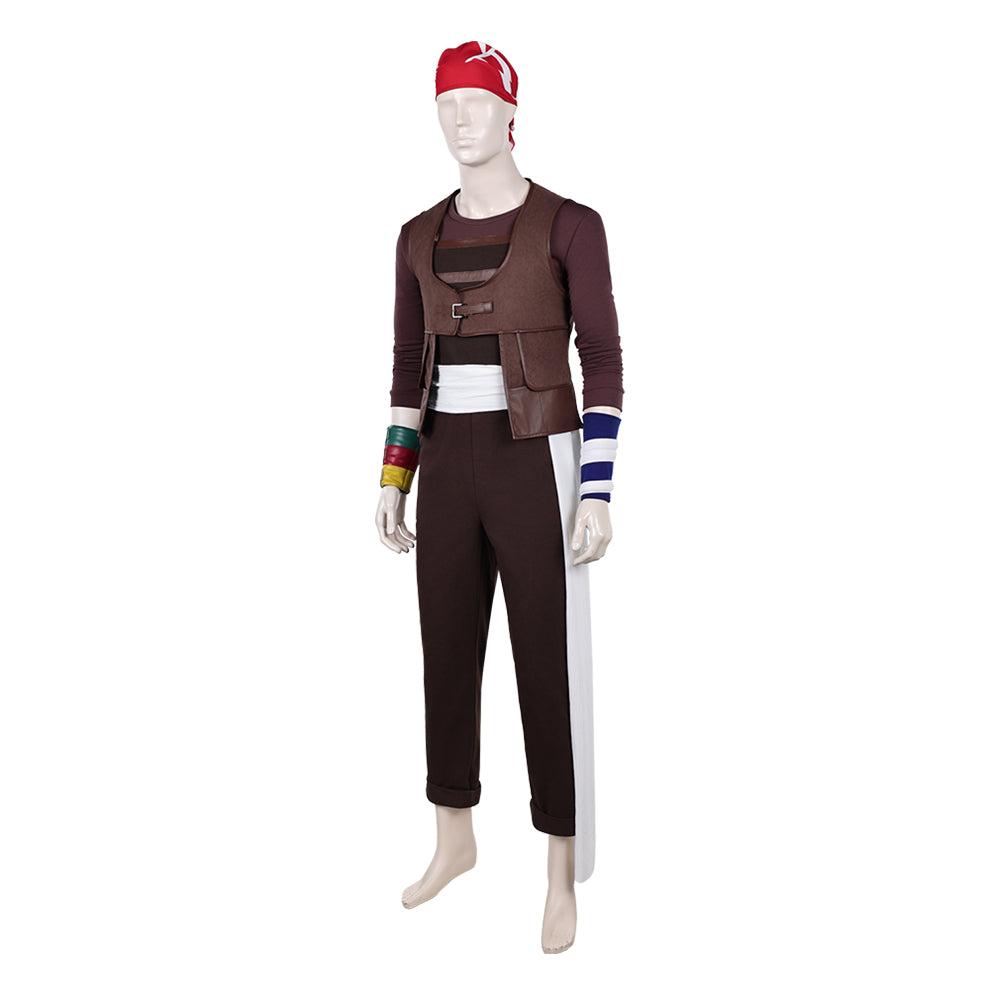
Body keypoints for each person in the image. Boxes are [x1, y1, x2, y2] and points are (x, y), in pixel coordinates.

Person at [374, 41, 623, 954]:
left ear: (512, 113)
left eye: (477, 102)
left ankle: (560, 867)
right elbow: (408, 364)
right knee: (445, 649)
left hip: (537, 457)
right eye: (446, 103)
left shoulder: (570, 225)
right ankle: (454, 835)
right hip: (446, 459)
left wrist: (596, 488)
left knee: (546, 664)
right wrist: (395, 475)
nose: (460, 119)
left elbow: (603, 359)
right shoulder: (415, 237)